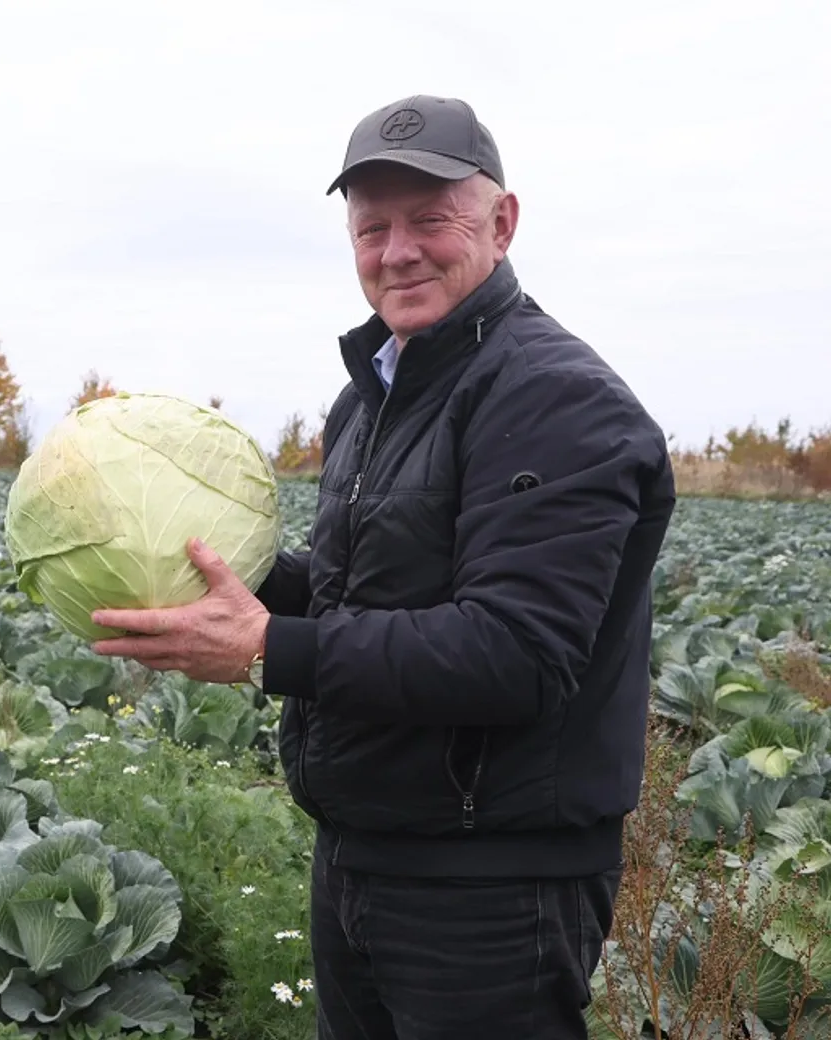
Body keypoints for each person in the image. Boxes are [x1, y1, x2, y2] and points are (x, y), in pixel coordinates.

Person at [88, 94, 677, 1039]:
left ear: (501, 221)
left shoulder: (556, 399)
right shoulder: (373, 397)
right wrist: (219, 579)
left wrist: (262, 648)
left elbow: (515, 653)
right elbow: (357, 591)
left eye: (431, 220)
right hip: (364, 856)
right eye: (372, 227)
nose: (398, 250)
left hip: (493, 886)